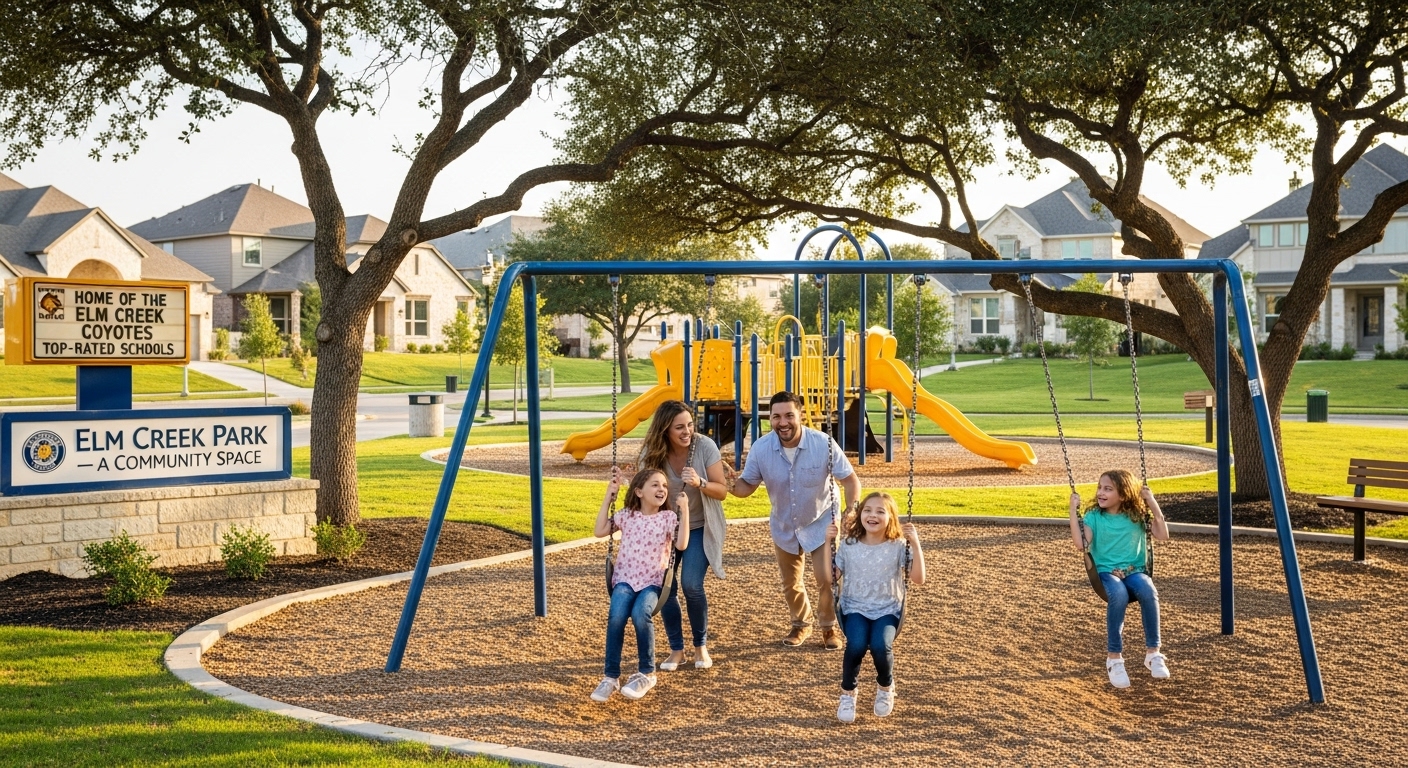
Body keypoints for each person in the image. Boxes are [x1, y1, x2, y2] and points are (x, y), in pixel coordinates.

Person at [731, 390, 860, 649]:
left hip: (821, 520)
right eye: (776, 416)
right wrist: (728, 483)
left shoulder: (822, 443)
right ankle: (801, 624)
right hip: (784, 523)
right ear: (770, 419)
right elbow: (746, 488)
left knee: (828, 578)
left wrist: (852, 508)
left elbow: (850, 480)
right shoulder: (761, 448)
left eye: (789, 415)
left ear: (800, 415)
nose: (783, 422)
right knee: (791, 582)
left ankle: (828, 627)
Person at [637, 400, 728, 671]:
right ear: (665, 429)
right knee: (667, 588)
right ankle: (677, 650)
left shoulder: (705, 447)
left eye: (690, 424)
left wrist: (700, 482)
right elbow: (642, 496)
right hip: (666, 530)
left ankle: (701, 646)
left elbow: (722, 491)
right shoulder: (651, 455)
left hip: (699, 525)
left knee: (691, 585)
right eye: (679, 427)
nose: (687, 431)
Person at [590, 466, 689, 703]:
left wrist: (684, 510)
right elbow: (599, 530)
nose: (662, 489)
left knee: (639, 614)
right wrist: (609, 495)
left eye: (664, 486)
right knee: (616, 617)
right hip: (624, 580)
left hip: (653, 583)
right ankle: (610, 677)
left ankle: (647, 673)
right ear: (639, 491)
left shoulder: (668, 518)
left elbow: (682, 544)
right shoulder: (626, 515)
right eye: (655, 484)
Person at [826, 491, 926, 723]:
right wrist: (827, 542)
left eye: (881, 511)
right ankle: (848, 695)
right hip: (855, 608)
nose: (873, 515)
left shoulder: (898, 546)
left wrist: (915, 543)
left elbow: (919, 578)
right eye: (868, 510)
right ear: (861, 514)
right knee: (857, 645)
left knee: (881, 646)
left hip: (888, 609)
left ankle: (885, 686)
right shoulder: (849, 545)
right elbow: (827, 578)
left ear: (891, 518)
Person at [1068, 468, 1171, 689]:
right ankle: (1114, 659)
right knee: (1118, 594)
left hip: (1134, 571)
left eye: (1108, 489)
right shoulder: (1094, 517)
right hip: (1106, 573)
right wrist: (1072, 510)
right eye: (1099, 488)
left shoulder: (1136, 515)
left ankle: (1153, 653)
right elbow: (1081, 545)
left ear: (1123, 495)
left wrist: (1151, 501)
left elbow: (1163, 535)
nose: (1100, 493)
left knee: (1148, 589)